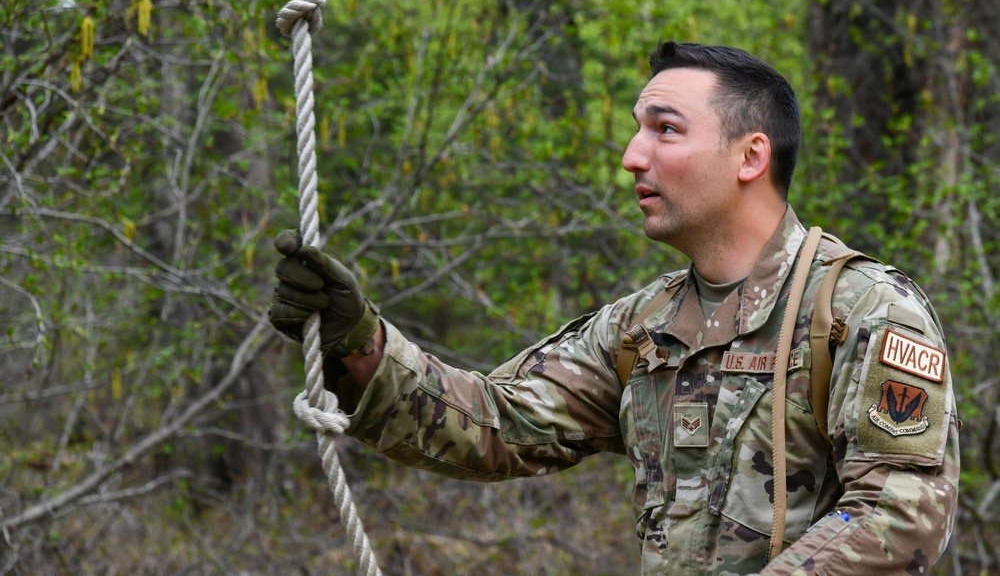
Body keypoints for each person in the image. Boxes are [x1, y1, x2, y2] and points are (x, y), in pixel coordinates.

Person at [268, 41, 960, 575]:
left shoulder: (862, 309)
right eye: (638, 130)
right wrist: (359, 343)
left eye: (664, 130)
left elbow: (901, 513)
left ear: (751, 155)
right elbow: (498, 423)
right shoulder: (643, 328)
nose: (632, 156)